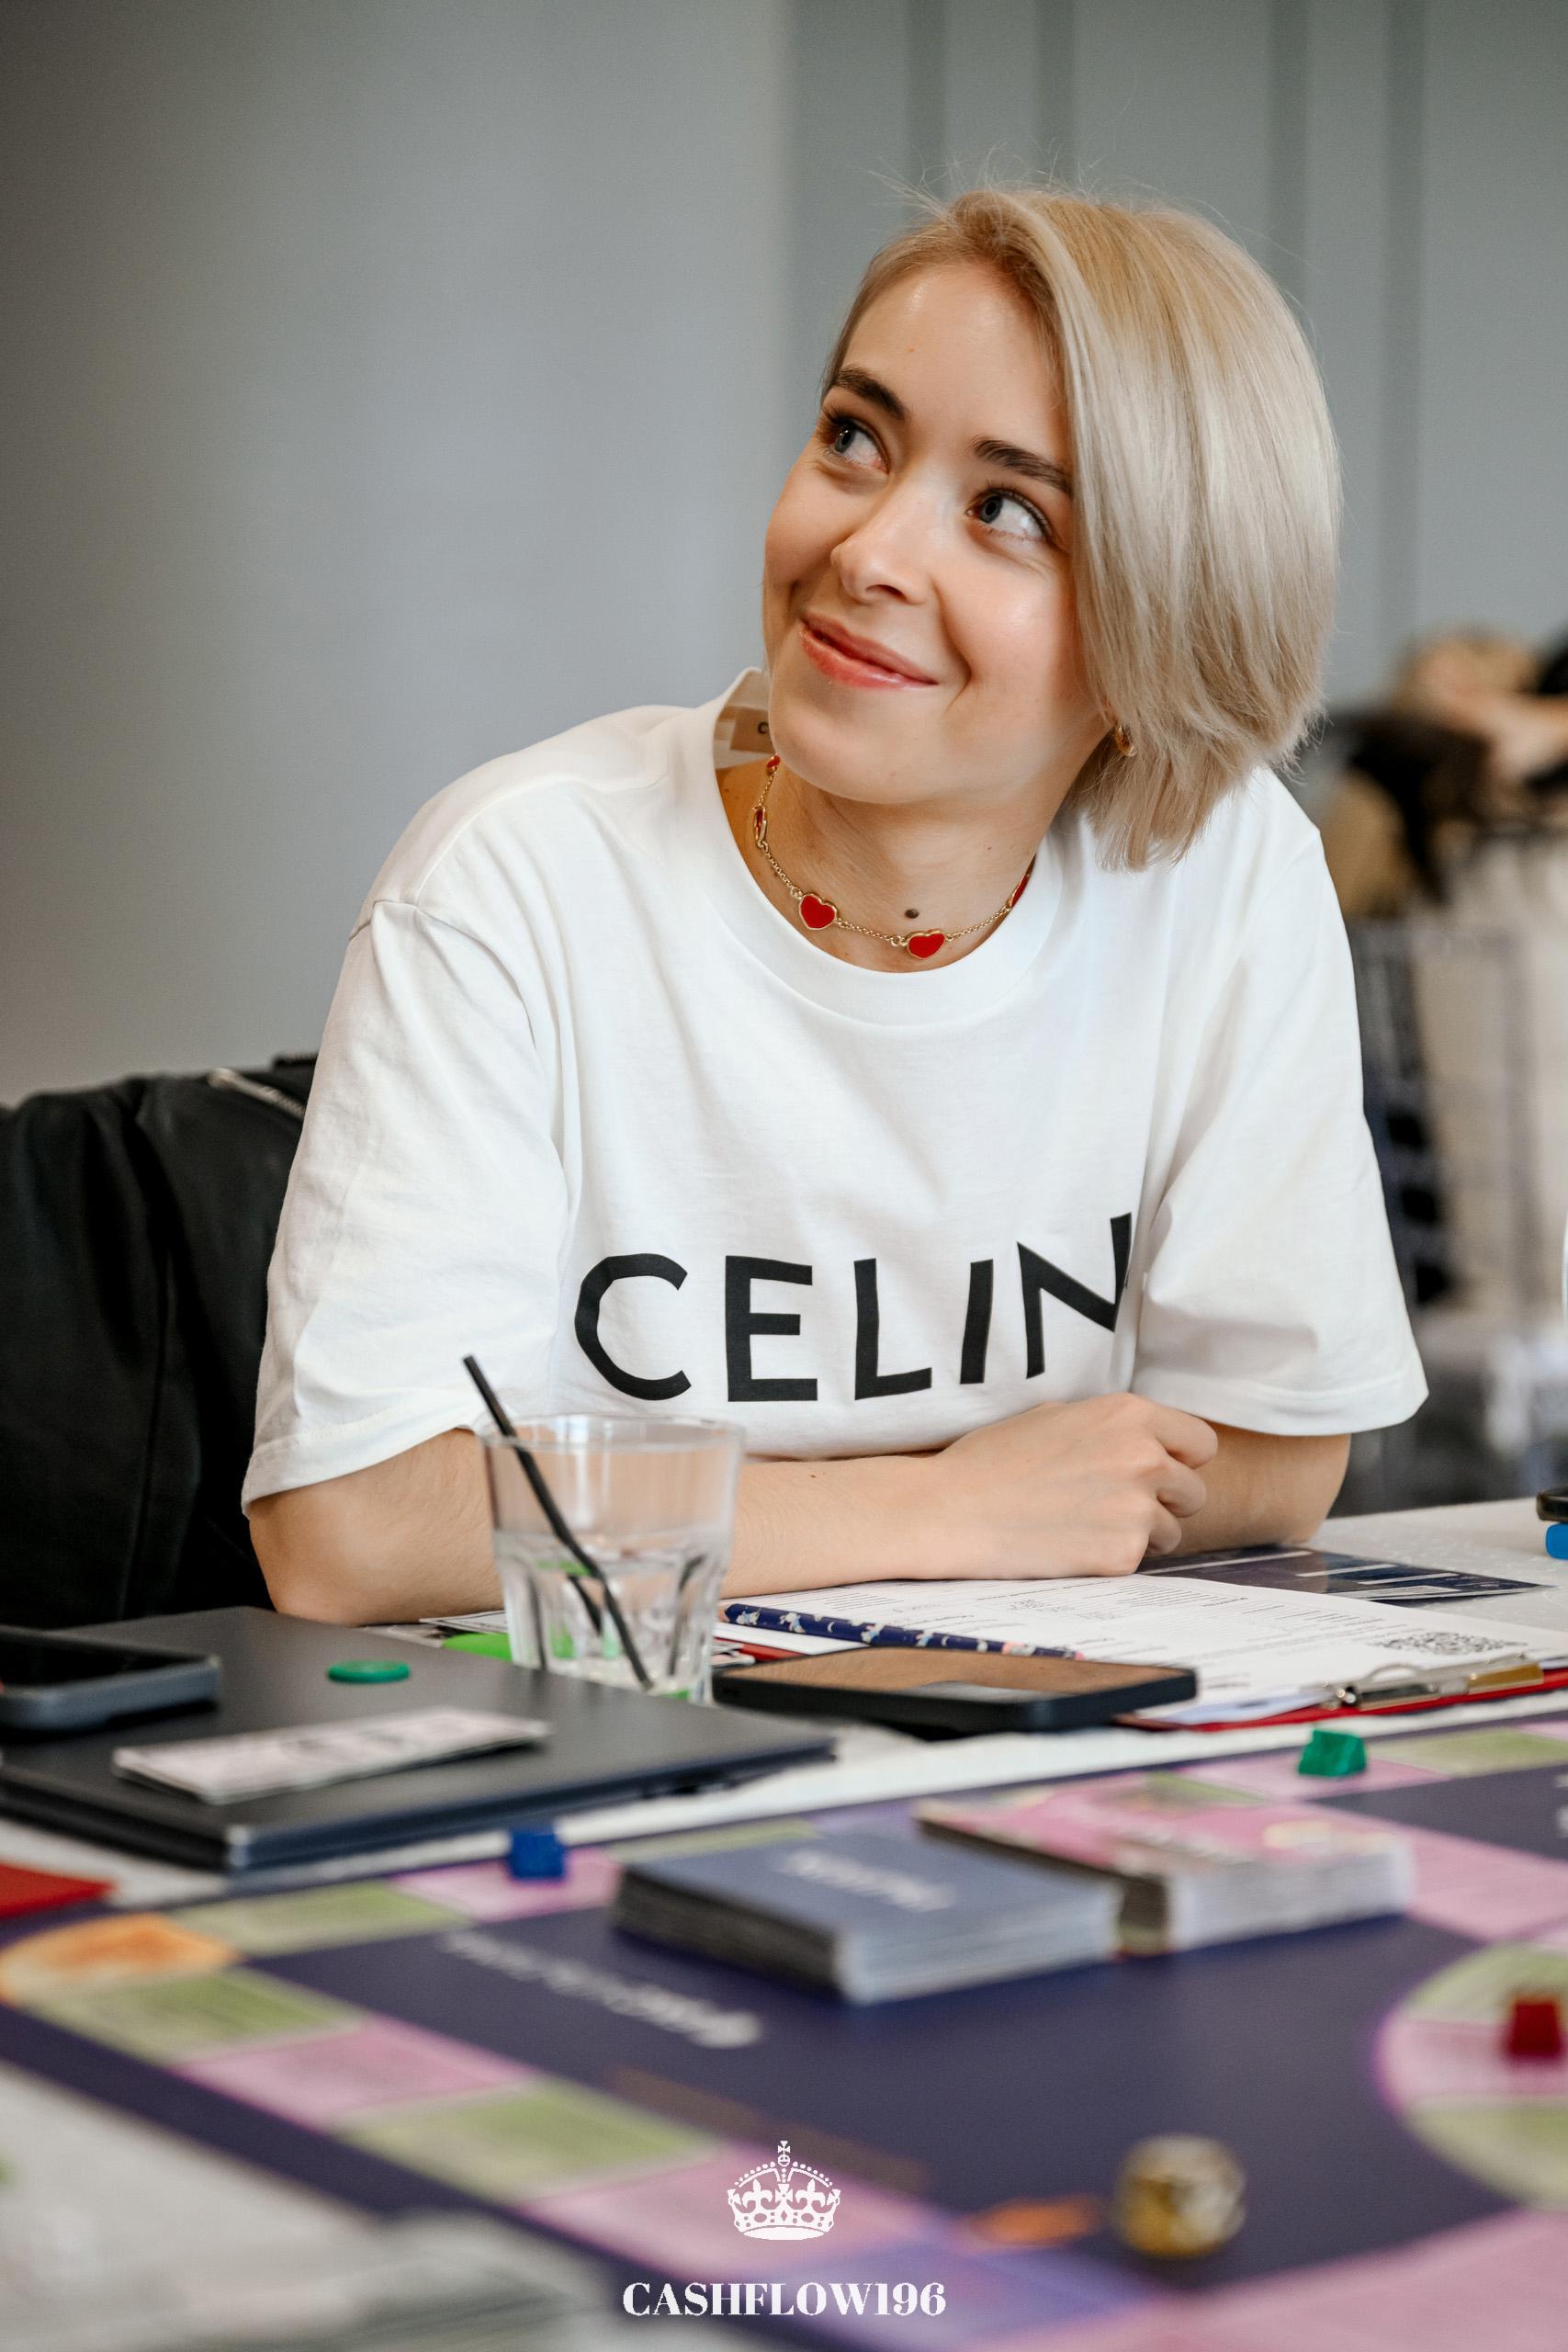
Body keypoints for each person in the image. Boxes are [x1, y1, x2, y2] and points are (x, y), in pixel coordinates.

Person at [247, 186, 1427, 1625]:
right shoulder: (515, 878)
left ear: (1159, 636)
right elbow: (354, 1528)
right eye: (856, 438)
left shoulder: (1224, 880)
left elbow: (1281, 1450)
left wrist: (724, 1517)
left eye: (1008, 511)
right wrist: (945, 1508)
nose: (866, 551)